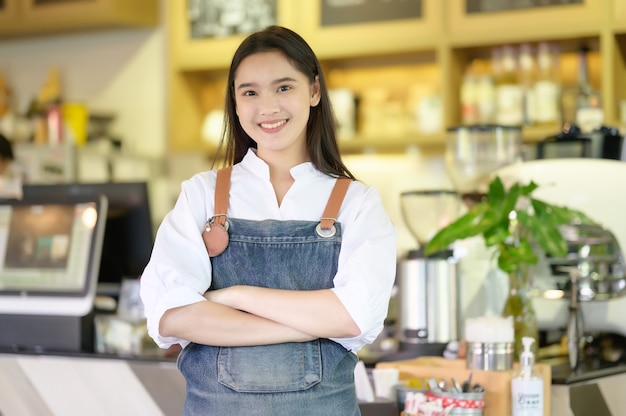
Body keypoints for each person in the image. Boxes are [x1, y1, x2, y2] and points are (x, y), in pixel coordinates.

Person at [140, 25, 397, 415]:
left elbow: (353, 313)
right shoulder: (201, 194)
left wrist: (235, 296)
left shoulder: (357, 202)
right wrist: (309, 325)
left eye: (283, 88)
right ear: (236, 103)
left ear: (313, 91)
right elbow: (171, 314)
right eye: (250, 92)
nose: (268, 108)